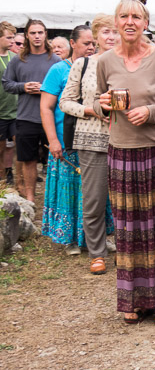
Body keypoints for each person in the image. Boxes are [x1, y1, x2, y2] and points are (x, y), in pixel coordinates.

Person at [94, 0, 155, 326]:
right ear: (116, 22)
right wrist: (102, 105)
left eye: (136, 17)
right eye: (124, 17)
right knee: (128, 229)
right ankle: (132, 300)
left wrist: (151, 111)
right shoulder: (105, 61)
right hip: (121, 152)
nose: (130, 22)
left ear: (146, 23)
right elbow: (101, 106)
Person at [59, 14, 117, 274]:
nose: (112, 36)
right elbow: (65, 102)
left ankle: (129, 250)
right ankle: (97, 252)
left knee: (128, 200)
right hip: (92, 139)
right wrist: (93, 110)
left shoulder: (133, 63)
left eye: (115, 31)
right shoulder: (83, 64)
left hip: (128, 140)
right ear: (96, 36)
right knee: (94, 200)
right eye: (106, 32)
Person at [40, 25, 97, 256]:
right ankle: (69, 239)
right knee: (69, 191)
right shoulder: (58, 70)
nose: (91, 47)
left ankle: (94, 238)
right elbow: (46, 107)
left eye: (93, 43)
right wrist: (53, 140)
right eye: (86, 43)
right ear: (73, 44)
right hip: (66, 141)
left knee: (94, 192)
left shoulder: (99, 66)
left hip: (93, 140)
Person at [2, 20, 60, 202]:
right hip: (26, 116)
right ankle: (30, 198)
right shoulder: (18, 59)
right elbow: (7, 84)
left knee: (54, 160)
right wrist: (24, 87)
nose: (37, 36)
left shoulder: (55, 60)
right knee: (28, 159)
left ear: (45, 35)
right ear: (27, 35)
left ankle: (54, 199)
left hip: (51, 117)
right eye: (33, 33)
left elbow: (65, 87)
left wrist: (46, 89)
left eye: (40, 32)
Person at [0, 22, 18, 185]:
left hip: (15, 110)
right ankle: (2, 181)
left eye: (14, 37)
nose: (12, 40)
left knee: (14, 144)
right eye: (9, 37)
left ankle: (10, 173)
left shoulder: (14, 58)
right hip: (0, 111)